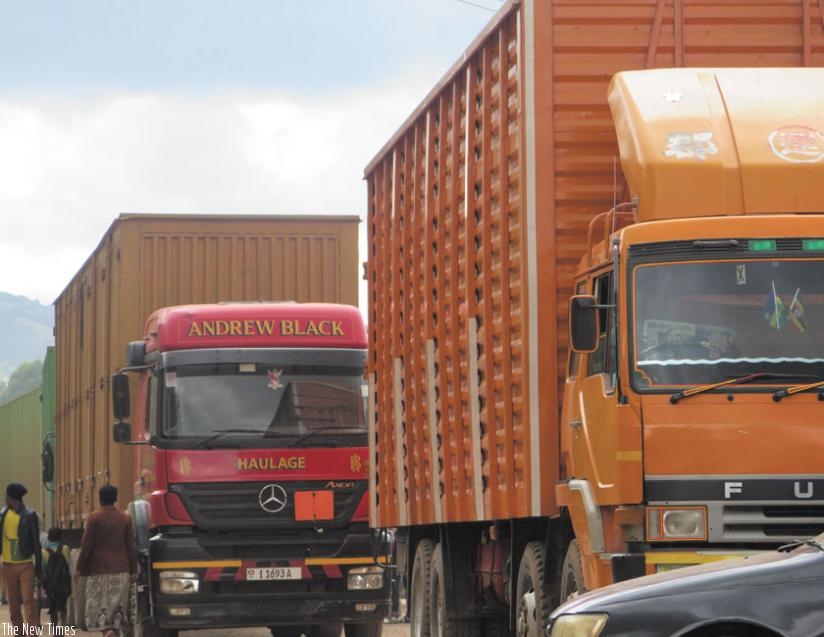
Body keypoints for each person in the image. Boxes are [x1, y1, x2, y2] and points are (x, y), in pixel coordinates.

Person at [75, 485, 138, 637]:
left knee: (98, 603)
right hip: (121, 567)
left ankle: (106, 630)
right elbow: (130, 545)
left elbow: (86, 545)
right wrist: (134, 569)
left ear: (100, 498)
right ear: (115, 498)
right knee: (116, 604)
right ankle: (113, 630)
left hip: (97, 568)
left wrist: (79, 568)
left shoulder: (94, 517)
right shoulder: (125, 517)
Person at [0, 482, 43, 633]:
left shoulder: (29, 515)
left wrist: (39, 564)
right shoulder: (3, 514)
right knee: (13, 606)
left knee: (28, 602)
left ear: (11, 497)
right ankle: (19, 633)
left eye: (6, 495)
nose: (5, 498)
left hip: (26, 564)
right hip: (7, 565)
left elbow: (36, 541)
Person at [42, 527, 72, 627]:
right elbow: (68, 565)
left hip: (50, 584)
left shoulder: (43, 551)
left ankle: (54, 626)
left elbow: (43, 569)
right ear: (60, 537)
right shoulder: (65, 548)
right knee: (63, 606)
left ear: (48, 537)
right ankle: (62, 625)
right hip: (63, 583)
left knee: (52, 605)